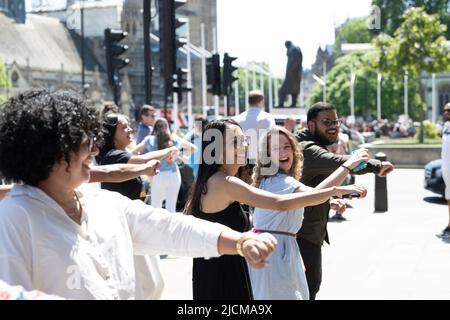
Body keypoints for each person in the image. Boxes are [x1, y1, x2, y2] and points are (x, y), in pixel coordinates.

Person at [0, 89, 277, 300]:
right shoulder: (14, 218)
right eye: (84, 142)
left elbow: (170, 228)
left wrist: (240, 242)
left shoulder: (104, 204)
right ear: (49, 151)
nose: (95, 150)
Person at [184, 119, 366, 300]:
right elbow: (281, 203)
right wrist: (336, 190)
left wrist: (329, 200)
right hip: (223, 275)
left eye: (244, 139)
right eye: (236, 142)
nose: (245, 145)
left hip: (224, 268)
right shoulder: (224, 182)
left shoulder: (219, 181)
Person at [248, 126, 368, 300]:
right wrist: (347, 167)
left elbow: (305, 199)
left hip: (277, 248)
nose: (282, 152)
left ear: (294, 150)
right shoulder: (279, 180)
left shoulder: (272, 180)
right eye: (275, 148)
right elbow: (314, 195)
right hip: (276, 251)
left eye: (286, 146)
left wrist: (329, 200)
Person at [295, 102, 395, 300]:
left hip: (306, 230)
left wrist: (329, 202)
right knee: (307, 288)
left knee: (308, 287)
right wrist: (377, 165)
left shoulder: (309, 144)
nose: (333, 126)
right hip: (302, 235)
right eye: (327, 122)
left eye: (336, 121)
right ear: (311, 125)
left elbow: (305, 188)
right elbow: (342, 163)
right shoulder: (309, 149)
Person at [133, 118, 197, 214]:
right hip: (174, 174)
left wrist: (144, 161)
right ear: (167, 127)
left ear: (154, 128)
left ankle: (156, 228)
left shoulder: (150, 140)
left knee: (155, 208)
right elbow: (193, 148)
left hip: (158, 174)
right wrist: (179, 156)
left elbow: (134, 151)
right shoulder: (174, 138)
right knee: (171, 208)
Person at [234, 90, 275, 169]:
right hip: (261, 158)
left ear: (249, 102)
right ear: (262, 101)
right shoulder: (268, 118)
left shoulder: (237, 119)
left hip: (241, 159)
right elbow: (272, 138)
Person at [278, 41, 303, 108]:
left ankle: (281, 105)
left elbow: (297, 61)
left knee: (282, 91)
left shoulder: (294, 49)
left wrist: (291, 70)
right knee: (294, 91)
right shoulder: (294, 49)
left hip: (293, 74)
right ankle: (293, 104)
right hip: (295, 74)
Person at [438, 103, 450, 238]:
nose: (446, 112)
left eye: (449, 110)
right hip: (447, 169)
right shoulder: (446, 127)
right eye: (445, 110)